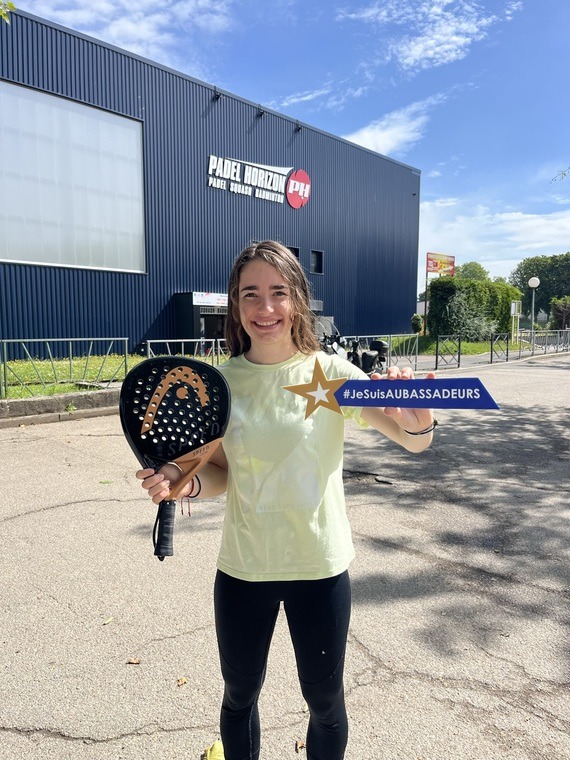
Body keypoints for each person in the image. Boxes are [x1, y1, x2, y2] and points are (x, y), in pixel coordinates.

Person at [136, 240, 436, 760]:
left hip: (318, 567)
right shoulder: (219, 384)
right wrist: (181, 483)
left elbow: (414, 439)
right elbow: (221, 476)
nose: (265, 307)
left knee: (324, 700)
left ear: (297, 298)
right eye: (250, 294)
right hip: (244, 568)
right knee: (239, 695)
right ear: (236, 305)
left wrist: (420, 416)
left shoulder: (333, 374)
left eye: (278, 292)